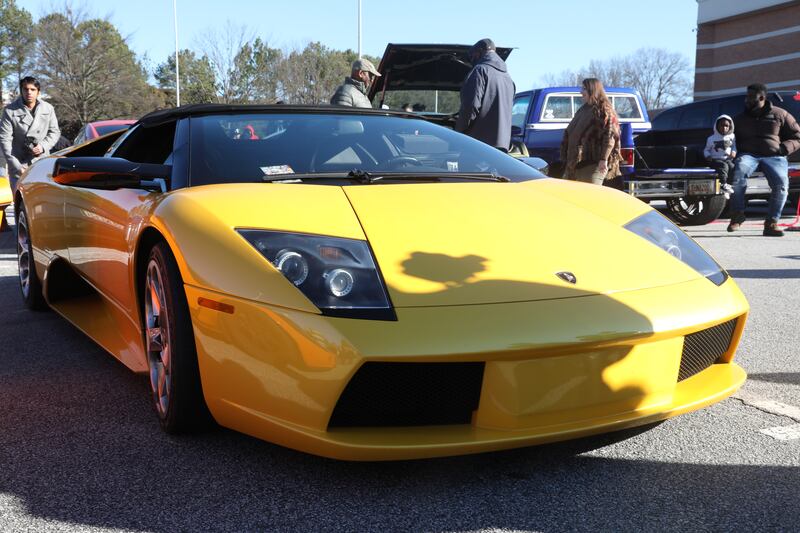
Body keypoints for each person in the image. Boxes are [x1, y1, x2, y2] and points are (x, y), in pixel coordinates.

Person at [727, 83, 800, 236]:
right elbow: (728, 138)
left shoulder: (780, 114)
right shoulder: (739, 119)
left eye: (750, 97)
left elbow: (797, 136)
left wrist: (784, 148)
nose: (746, 100)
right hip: (748, 155)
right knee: (737, 176)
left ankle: (771, 223)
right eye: (746, 96)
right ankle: (737, 215)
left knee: (782, 185)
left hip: (774, 156)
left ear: (761, 98)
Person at [0, 76, 61, 192]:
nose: (29, 92)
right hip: (18, 164)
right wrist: (16, 166)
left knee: (41, 198)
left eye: (33, 89)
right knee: (20, 200)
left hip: (41, 163)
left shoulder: (48, 108)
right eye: (25, 89)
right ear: (21, 91)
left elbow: (55, 132)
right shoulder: (9, 110)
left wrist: (43, 146)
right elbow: (4, 139)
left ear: (38, 92)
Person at [455, 38, 515, 150]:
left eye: (472, 56)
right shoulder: (508, 78)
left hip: (479, 146)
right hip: (502, 145)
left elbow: (470, 107)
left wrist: (458, 132)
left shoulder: (480, 71)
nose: (471, 59)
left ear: (480, 52)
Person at [559, 78, 622, 185]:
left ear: (592, 90)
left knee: (591, 194)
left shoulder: (604, 110)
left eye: (584, 89)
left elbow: (610, 136)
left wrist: (604, 159)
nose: (581, 92)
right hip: (575, 164)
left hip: (594, 165)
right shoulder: (583, 109)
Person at [703, 114, 737, 198]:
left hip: (727, 159)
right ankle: (723, 184)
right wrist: (708, 156)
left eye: (727, 126)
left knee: (732, 167)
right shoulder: (711, 138)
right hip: (715, 160)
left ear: (730, 126)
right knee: (723, 166)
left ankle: (729, 186)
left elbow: (734, 146)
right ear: (717, 126)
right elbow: (706, 150)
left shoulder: (732, 136)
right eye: (722, 125)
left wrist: (733, 152)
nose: (724, 128)